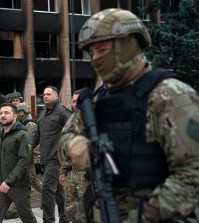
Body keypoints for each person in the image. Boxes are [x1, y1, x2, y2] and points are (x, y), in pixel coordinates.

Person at [58, 8, 199, 223]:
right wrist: (76, 146)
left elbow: (192, 174)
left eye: (102, 49)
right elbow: (65, 139)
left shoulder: (170, 96)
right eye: (91, 53)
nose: (95, 59)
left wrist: (140, 216)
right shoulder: (98, 100)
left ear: (128, 46)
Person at [0, 103, 37, 223]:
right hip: (0, 184)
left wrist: (8, 181)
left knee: (27, 217)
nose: (3, 115)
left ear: (15, 116)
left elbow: (24, 161)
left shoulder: (23, 135)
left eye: (6, 113)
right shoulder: (1, 135)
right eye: (1, 113)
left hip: (18, 186)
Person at [33, 86, 72, 223]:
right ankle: (64, 218)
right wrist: (28, 148)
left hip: (57, 159)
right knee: (59, 191)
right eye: (43, 94)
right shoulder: (43, 113)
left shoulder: (62, 111)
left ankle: (48, 220)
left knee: (47, 189)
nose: (45, 96)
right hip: (47, 158)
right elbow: (37, 134)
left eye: (48, 94)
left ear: (56, 96)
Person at [4, 103, 43, 219]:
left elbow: (28, 142)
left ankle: (15, 209)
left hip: (27, 157)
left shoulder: (30, 124)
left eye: (21, 112)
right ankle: (50, 196)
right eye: (18, 112)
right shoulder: (20, 124)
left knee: (26, 181)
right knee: (32, 181)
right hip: (22, 157)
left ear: (25, 112)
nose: (19, 114)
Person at [58, 90, 88, 223]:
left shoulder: (94, 121)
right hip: (73, 173)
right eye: (74, 101)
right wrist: (64, 171)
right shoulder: (73, 121)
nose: (76, 104)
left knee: (86, 208)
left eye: (79, 101)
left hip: (88, 174)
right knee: (70, 208)